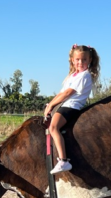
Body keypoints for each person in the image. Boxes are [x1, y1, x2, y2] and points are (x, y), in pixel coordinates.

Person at [44, 44, 100, 174]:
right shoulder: (73, 76)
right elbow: (60, 93)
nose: (80, 62)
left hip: (72, 106)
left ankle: (63, 160)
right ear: (72, 60)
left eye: (84, 59)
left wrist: (52, 105)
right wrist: (50, 104)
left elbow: (67, 94)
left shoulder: (84, 76)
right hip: (65, 104)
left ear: (89, 60)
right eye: (78, 60)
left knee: (53, 127)